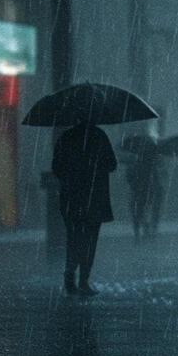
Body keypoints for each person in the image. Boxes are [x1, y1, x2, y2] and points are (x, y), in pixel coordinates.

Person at [51, 120, 117, 296]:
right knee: (89, 240)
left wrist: (72, 174)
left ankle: (70, 275)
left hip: (71, 197)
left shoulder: (66, 137)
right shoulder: (99, 136)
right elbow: (112, 164)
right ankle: (83, 281)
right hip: (94, 197)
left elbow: (56, 167)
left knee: (74, 237)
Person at [125, 139, 163, 241]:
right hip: (146, 190)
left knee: (137, 212)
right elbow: (155, 178)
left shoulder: (135, 162)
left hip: (138, 190)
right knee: (144, 211)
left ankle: (139, 233)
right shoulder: (149, 163)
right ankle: (145, 232)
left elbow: (129, 177)